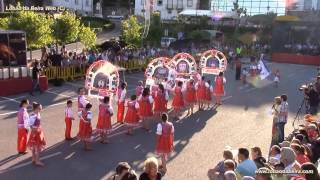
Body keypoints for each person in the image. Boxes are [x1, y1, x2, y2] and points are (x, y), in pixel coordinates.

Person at [27, 102, 46, 166]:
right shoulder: (33, 116)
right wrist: (34, 130)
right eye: (40, 108)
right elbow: (29, 124)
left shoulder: (38, 113)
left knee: (35, 146)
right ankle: (37, 161)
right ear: (36, 108)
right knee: (36, 147)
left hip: (38, 131)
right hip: (35, 132)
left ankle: (33, 159)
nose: (41, 109)